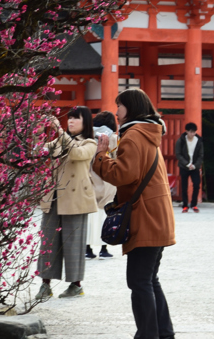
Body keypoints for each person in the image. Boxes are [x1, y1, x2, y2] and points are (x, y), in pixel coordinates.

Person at [93, 89, 175, 339]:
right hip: (156, 216)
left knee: (139, 282)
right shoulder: (148, 132)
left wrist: (101, 156)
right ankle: (163, 333)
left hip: (145, 217)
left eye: (119, 106)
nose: (116, 112)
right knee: (149, 279)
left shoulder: (134, 135)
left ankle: (148, 335)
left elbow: (122, 175)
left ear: (131, 107)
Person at [36, 106, 98, 301]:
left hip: (76, 198)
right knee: (48, 241)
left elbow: (77, 154)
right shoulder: (61, 141)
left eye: (75, 118)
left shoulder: (90, 142)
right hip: (54, 196)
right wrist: (36, 133)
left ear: (85, 122)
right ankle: (45, 284)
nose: (70, 121)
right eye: (69, 118)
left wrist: (60, 131)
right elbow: (39, 151)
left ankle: (75, 285)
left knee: (74, 242)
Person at [86, 111, 119, 260]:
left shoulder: (89, 137)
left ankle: (88, 248)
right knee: (106, 214)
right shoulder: (113, 138)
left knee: (90, 216)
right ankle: (104, 248)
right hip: (107, 181)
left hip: (91, 178)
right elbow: (117, 158)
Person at [174, 122, 203, 213]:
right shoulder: (181, 140)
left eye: (194, 132)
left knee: (196, 185)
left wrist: (195, 165)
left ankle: (194, 204)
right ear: (186, 131)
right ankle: (185, 205)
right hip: (184, 167)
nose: (192, 134)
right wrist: (187, 164)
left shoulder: (199, 141)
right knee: (184, 186)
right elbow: (178, 154)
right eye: (190, 132)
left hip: (195, 167)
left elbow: (201, 155)